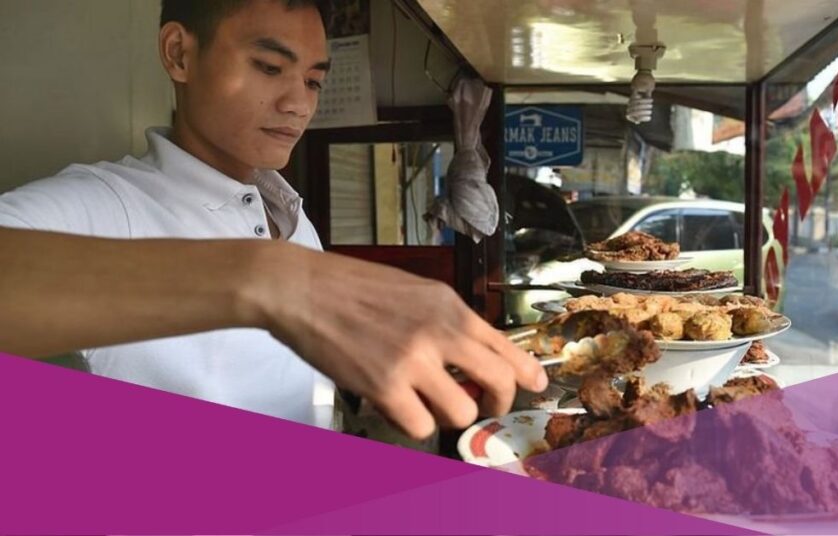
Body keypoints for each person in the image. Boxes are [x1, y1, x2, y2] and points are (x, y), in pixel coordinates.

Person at [0, 0, 547, 440]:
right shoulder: (105, 206)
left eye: (312, 80)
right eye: (268, 67)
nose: (298, 104)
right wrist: (262, 278)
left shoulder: (290, 219)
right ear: (178, 54)